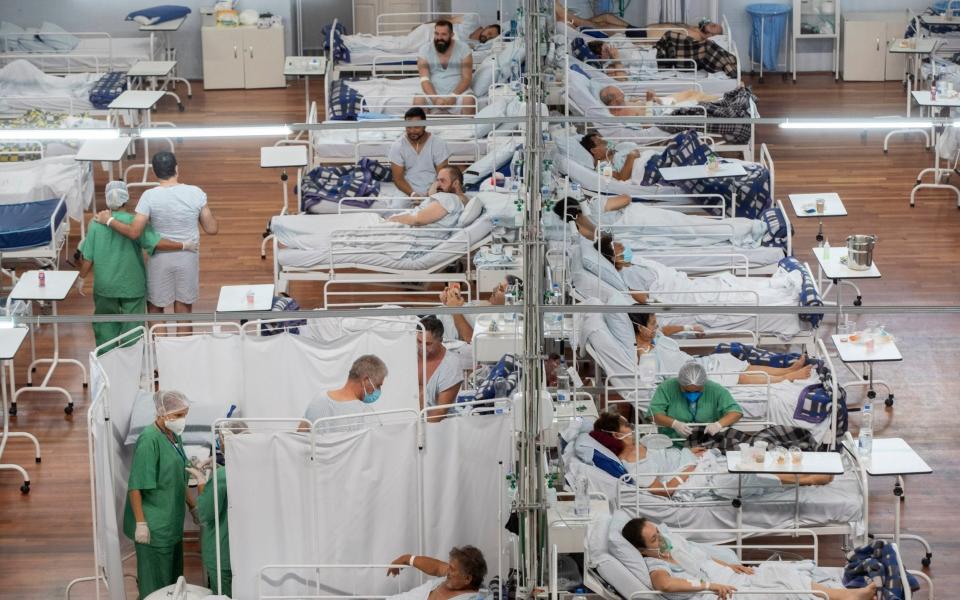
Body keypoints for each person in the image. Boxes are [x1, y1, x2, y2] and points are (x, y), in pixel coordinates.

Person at [621, 517, 876, 600]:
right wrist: (710, 585)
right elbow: (665, 585)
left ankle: (843, 594)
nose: (661, 539)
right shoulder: (655, 564)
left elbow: (702, 559)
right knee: (779, 587)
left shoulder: (671, 546)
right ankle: (850, 596)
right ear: (643, 550)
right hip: (721, 591)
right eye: (655, 539)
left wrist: (729, 565)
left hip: (728, 575)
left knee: (777, 572)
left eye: (658, 532)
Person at [77, 181, 195, 351]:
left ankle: (107, 366)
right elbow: (157, 243)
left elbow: (88, 258)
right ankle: (131, 364)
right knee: (133, 329)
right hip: (131, 284)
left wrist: (81, 278)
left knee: (105, 326)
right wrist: (183, 245)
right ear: (127, 198)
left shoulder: (96, 223)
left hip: (105, 286)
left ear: (107, 199)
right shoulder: (134, 223)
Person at [95, 151, 219, 314]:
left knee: (155, 308)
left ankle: (158, 341)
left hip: (160, 260)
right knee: (183, 309)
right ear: (176, 168)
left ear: (154, 172)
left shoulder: (149, 196)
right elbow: (212, 228)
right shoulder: (196, 193)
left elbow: (134, 232)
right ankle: (183, 341)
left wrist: (109, 220)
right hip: (188, 257)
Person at [123, 390, 196, 598]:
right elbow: (135, 485)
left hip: (171, 523)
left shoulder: (173, 436)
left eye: (185, 414)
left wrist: (193, 506)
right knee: (155, 586)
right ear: (163, 413)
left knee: (173, 582)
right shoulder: (149, 440)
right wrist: (141, 524)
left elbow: (178, 477)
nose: (183, 420)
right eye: (180, 415)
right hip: (154, 528)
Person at [190, 420, 248, 597]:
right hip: (247, 550)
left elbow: (204, 514)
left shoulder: (222, 477)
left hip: (223, 553)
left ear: (227, 442)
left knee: (224, 594)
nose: (219, 443)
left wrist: (202, 482)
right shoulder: (254, 468)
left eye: (220, 439)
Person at [648, 361, 743, 444]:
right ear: (679, 383)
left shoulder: (715, 390)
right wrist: (674, 424)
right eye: (687, 391)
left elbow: (736, 412)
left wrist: (718, 424)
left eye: (697, 390)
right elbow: (653, 414)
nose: (692, 394)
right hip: (674, 442)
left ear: (704, 383)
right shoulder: (667, 387)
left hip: (706, 443)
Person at [302, 354, 388, 430]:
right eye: (378, 385)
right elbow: (377, 446)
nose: (378, 390)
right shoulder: (366, 414)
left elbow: (299, 437)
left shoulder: (318, 400)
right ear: (365, 380)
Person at [389, 107, 452, 204]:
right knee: (396, 209)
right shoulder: (397, 146)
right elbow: (398, 179)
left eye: (417, 127)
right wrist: (413, 194)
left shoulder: (438, 143)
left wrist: (431, 193)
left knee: (438, 209)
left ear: (424, 125)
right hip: (407, 189)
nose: (412, 131)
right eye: (409, 127)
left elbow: (442, 174)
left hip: (434, 186)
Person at [414, 19, 476, 115]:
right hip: (433, 92)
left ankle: (466, 129)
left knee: (469, 101)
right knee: (418, 101)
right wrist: (434, 99)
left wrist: (453, 96)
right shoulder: (425, 50)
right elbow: (424, 79)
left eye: (444, 34)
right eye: (437, 34)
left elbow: (467, 78)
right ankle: (423, 129)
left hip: (458, 92)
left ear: (451, 35)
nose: (439, 38)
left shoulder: (464, 49)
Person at [385, 546, 487, 600]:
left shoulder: (473, 597)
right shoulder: (453, 578)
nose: (448, 571)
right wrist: (407, 558)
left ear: (467, 579)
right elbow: (437, 567)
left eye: (452, 569)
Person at [388, 166, 469, 228]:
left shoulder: (449, 199)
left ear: (455, 183)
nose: (438, 184)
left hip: (405, 232)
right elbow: (431, 193)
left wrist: (392, 219)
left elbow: (417, 220)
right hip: (405, 226)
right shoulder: (454, 198)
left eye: (443, 180)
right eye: (438, 180)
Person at [418, 316, 463, 413]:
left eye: (428, 344)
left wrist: (421, 428)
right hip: (410, 417)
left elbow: (440, 412)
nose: (422, 347)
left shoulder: (451, 366)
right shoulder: (409, 354)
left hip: (439, 424)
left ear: (441, 340)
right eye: (419, 341)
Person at [598, 85, 719, 117]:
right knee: (696, 99)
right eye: (618, 93)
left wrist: (652, 100)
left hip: (659, 105)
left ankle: (719, 99)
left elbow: (638, 104)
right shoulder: (621, 115)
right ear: (613, 100)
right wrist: (649, 101)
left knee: (691, 92)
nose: (622, 93)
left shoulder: (622, 104)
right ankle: (721, 101)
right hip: (663, 114)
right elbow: (648, 124)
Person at [580, 130, 653, 183]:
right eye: (602, 143)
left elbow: (635, 151)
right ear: (594, 150)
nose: (607, 144)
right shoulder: (602, 167)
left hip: (648, 159)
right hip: (646, 168)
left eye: (605, 141)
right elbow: (621, 178)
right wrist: (631, 157)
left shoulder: (615, 152)